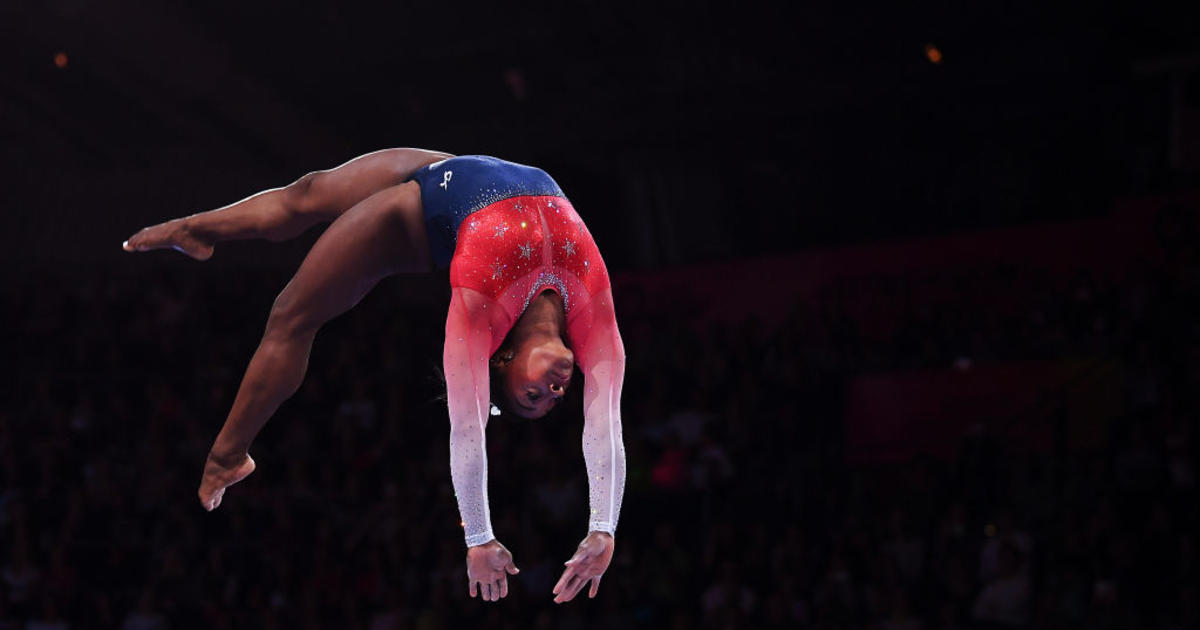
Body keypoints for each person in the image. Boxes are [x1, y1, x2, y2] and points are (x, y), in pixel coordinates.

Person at [122, 149, 626, 604]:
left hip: (414, 217)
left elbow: (469, 430)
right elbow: (603, 424)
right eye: (550, 396)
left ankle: (226, 457)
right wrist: (603, 529)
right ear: (502, 362)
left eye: (533, 396)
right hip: (457, 174)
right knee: (307, 194)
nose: (556, 390)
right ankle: (197, 230)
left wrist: (479, 537)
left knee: (291, 314)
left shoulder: (480, 309)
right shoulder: (594, 316)